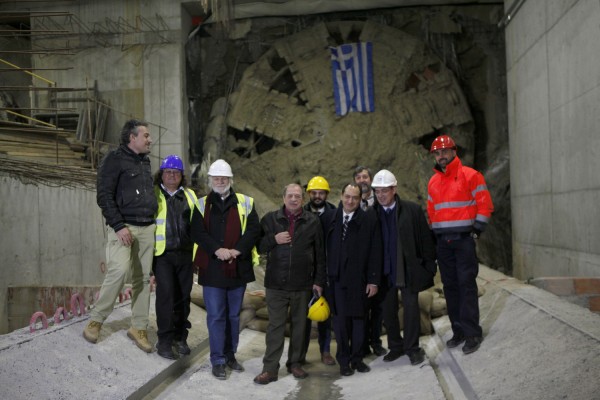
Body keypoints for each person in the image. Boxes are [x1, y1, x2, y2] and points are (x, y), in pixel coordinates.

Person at [83, 119, 158, 353]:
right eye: (146, 136)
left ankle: (138, 327)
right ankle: (96, 320)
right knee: (118, 271)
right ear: (132, 138)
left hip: (147, 227)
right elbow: (104, 195)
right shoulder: (114, 159)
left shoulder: (144, 162)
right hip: (124, 227)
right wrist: (118, 225)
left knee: (143, 280)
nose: (150, 139)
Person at [191, 159, 260, 379]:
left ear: (230, 180)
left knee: (232, 315)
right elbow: (197, 232)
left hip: (237, 268)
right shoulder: (202, 205)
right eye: (216, 178)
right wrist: (217, 250)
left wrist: (236, 251)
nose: (220, 181)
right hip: (212, 269)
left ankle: (230, 355)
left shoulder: (246, 203)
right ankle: (218, 360)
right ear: (210, 180)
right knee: (216, 317)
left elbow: (253, 231)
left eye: (224, 178)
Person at [253, 183, 326, 385]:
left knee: (300, 327)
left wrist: (319, 281)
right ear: (283, 197)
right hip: (276, 283)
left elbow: (320, 254)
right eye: (290, 196)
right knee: (275, 327)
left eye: (298, 196)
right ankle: (270, 369)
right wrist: (273, 239)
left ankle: (295, 363)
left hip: (302, 284)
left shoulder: (313, 221)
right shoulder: (270, 219)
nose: (294, 199)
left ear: (303, 199)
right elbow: (258, 247)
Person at [427, 135, 494, 354]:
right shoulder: (433, 181)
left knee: (466, 286)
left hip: (463, 240)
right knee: (451, 287)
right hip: (443, 244)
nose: (441, 156)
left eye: (445, 151)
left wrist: (475, 231)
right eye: (437, 153)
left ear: (454, 151)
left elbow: (485, 206)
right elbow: (432, 211)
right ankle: (459, 331)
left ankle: (473, 332)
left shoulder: (471, 176)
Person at [372, 169, 437, 365]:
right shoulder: (370, 214)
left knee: (411, 309)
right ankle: (396, 346)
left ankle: (412, 348)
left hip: (406, 270)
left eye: (385, 190)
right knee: (388, 312)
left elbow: (426, 240)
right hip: (384, 272)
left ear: (394, 189)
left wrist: (428, 266)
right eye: (377, 191)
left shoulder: (412, 210)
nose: (381, 195)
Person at [325, 183, 382, 376]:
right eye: (347, 196)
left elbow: (376, 252)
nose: (350, 201)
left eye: (355, 198)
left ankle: (357, 359)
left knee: (359, 321)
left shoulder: (368, 220)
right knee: (340, 323)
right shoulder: (330, 218)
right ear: (341, 196)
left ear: (360, 199)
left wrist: (373, 280)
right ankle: (343, 360)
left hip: (359, 281)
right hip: (337, 280)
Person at [152, 154, 197, 360]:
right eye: (168, 172)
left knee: (183, 299)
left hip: (186, 256)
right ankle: (164, 341)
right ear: (161, 174)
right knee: (165, 298)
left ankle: (180, 337)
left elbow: (198, 226)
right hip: (163, 256)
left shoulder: (189, 196)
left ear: (181, 176)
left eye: (175, 173)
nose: (171, 176)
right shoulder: (153, 195)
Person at [301, 176, 337, 367]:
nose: (317, 196)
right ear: (309, 194)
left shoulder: (335, 214)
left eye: (320, 193)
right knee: (303, 316)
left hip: (327, 272)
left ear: (326, 194)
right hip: (305, 272)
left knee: (325, 313)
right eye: (313, 193)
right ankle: (301, 353)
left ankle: (325, 351)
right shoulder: (301, 212)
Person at [353, 166, 387, 357]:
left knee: (378, 307)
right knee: (361, 307)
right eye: (358, 177)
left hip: (378, 262)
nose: (362, 180)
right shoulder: (351, 203)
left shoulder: (381, 203)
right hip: (359, 267)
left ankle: (376, 341)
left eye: (365, 176)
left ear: (371, 179)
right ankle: (362, 343)